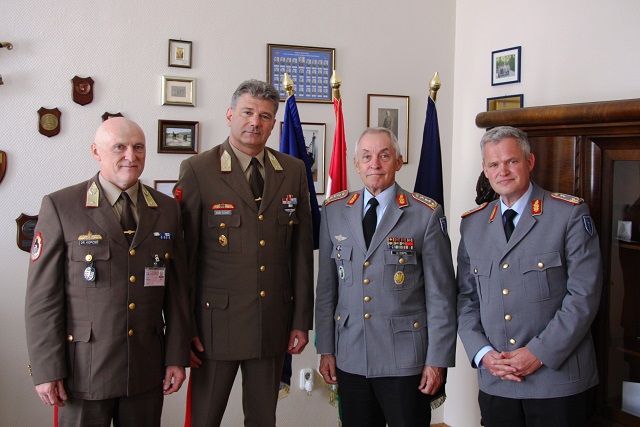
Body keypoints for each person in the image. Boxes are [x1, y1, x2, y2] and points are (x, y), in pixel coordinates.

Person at [25, 117, 191, 427]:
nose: (131, 155)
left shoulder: (167, 209)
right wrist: (47, 369)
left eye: (138, 147)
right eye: (119, 147)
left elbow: (178, 293)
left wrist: (176, 356)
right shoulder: (62, 206)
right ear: (96, 152)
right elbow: (42, 299)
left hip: (145, 369)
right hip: (84, 372)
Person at [175, 79, 314, 426]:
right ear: (229, 115)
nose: (255, 122)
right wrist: (185, 327)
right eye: (247, 112)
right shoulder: (198, 170)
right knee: (205, 419)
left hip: (271, 322)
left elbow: (300, 253)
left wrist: (301, 320)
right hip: (213, 327)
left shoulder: (293, 170)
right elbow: (184, 259)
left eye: (265, 116)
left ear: (273, 123)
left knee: (263, 419)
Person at [456, 126, 603, 427]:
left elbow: (584, 298)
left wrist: (538, 353)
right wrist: (482, 353)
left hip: (557, 381)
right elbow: (466, 299)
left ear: (529, 162)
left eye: (511, 161)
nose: (503, 171)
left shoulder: (568, 215)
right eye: (494, 164)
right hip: (497, 379)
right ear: (485, 170)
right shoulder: (473, 224)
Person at [315, 127, 457, 427]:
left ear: (399, 161)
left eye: (384, 155)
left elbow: (441, 297)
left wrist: (437, 360)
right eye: (366, 157)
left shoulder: (425, 213)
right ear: (356, 164)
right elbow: (327, 289)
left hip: (405, 359)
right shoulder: (334, 211)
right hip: (351, 355)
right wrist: (326, 349)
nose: (375, 164)